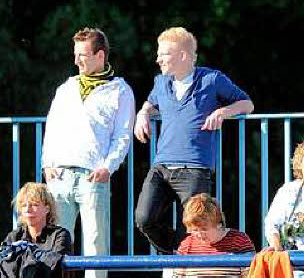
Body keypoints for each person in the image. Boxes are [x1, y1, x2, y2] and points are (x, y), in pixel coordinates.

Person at [134, 26, 253, 253]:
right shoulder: (161, 82)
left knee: (194, 224)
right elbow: (150, 103)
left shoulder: (211, 79)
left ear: (183, 55)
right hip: (161, 166)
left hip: (195, 168)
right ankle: (179, 253)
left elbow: (247, 104)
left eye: (164, 54)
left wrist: (222, 112)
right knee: (143, 218)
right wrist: (143, 113)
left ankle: (188, 260)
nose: (158, 59)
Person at [41, 27, 134, 278]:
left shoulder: (120, 90)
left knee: (95, 243)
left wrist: (108, 166)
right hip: (60, 175)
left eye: (82, 55)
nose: (76, 60)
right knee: (56, 244)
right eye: (75, 54)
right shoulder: (66, 88)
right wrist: (47, 163)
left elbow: (123, 135)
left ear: (100, 56)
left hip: (93, 174)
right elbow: (52, 126)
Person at [174, 193, 254, 278]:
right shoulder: (187, 245)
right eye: (195, 230)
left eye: (204, 229)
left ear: (218, 223)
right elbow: (177, 276)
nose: (200, 234)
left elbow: (252, 274)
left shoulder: (239, 241)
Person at [1, 183, 72, 278]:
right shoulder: (13, 236)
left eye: (34, 204)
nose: (27, 209)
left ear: (47, 209)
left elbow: (55, 263)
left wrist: (30, 250)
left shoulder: (60, 235)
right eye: (23, 205)